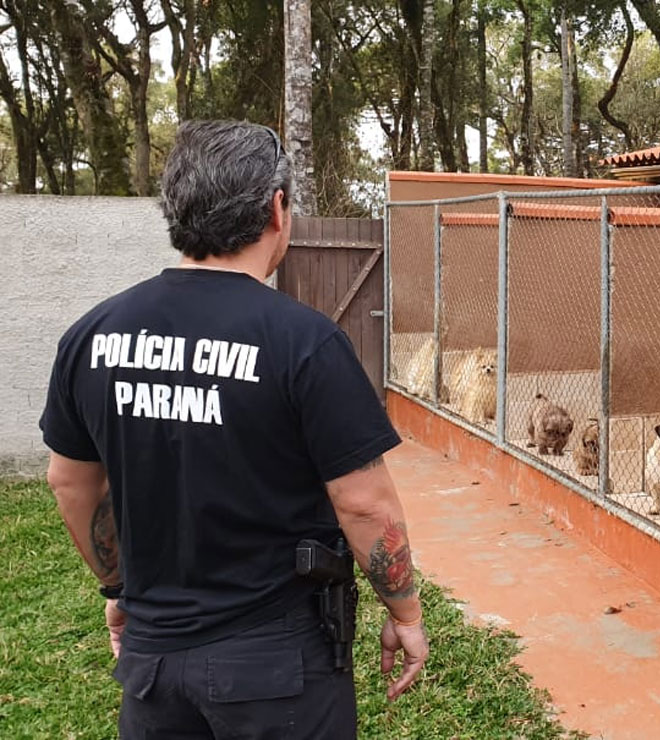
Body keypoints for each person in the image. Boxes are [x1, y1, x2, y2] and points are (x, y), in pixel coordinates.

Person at [39, 119, 428, 738]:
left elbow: (70, 482)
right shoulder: (305, 342)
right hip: (278, 665)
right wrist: (404, 613)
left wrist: (120, 588)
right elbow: (363, 504)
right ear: (277, 208)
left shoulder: (92, 335)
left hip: (153, 663)